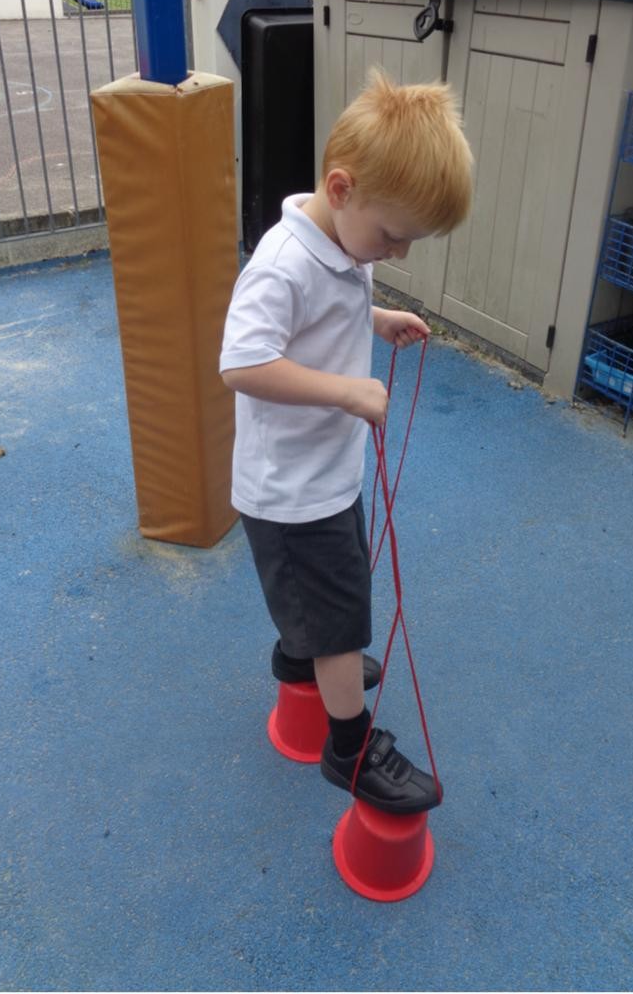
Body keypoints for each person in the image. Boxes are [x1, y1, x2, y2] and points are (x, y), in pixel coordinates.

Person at [220, 68, 472, 814]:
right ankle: (349, 749)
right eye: (393, 236)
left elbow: (331, 306)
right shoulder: (282, 264)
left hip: (327, 475)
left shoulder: (341, 243)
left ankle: (299, 654)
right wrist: (346, 391)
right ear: (340, 189)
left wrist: (377, 318)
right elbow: (241, 364)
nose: (397, 253)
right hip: (291, 493)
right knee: (340, 619)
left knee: (335, 594)